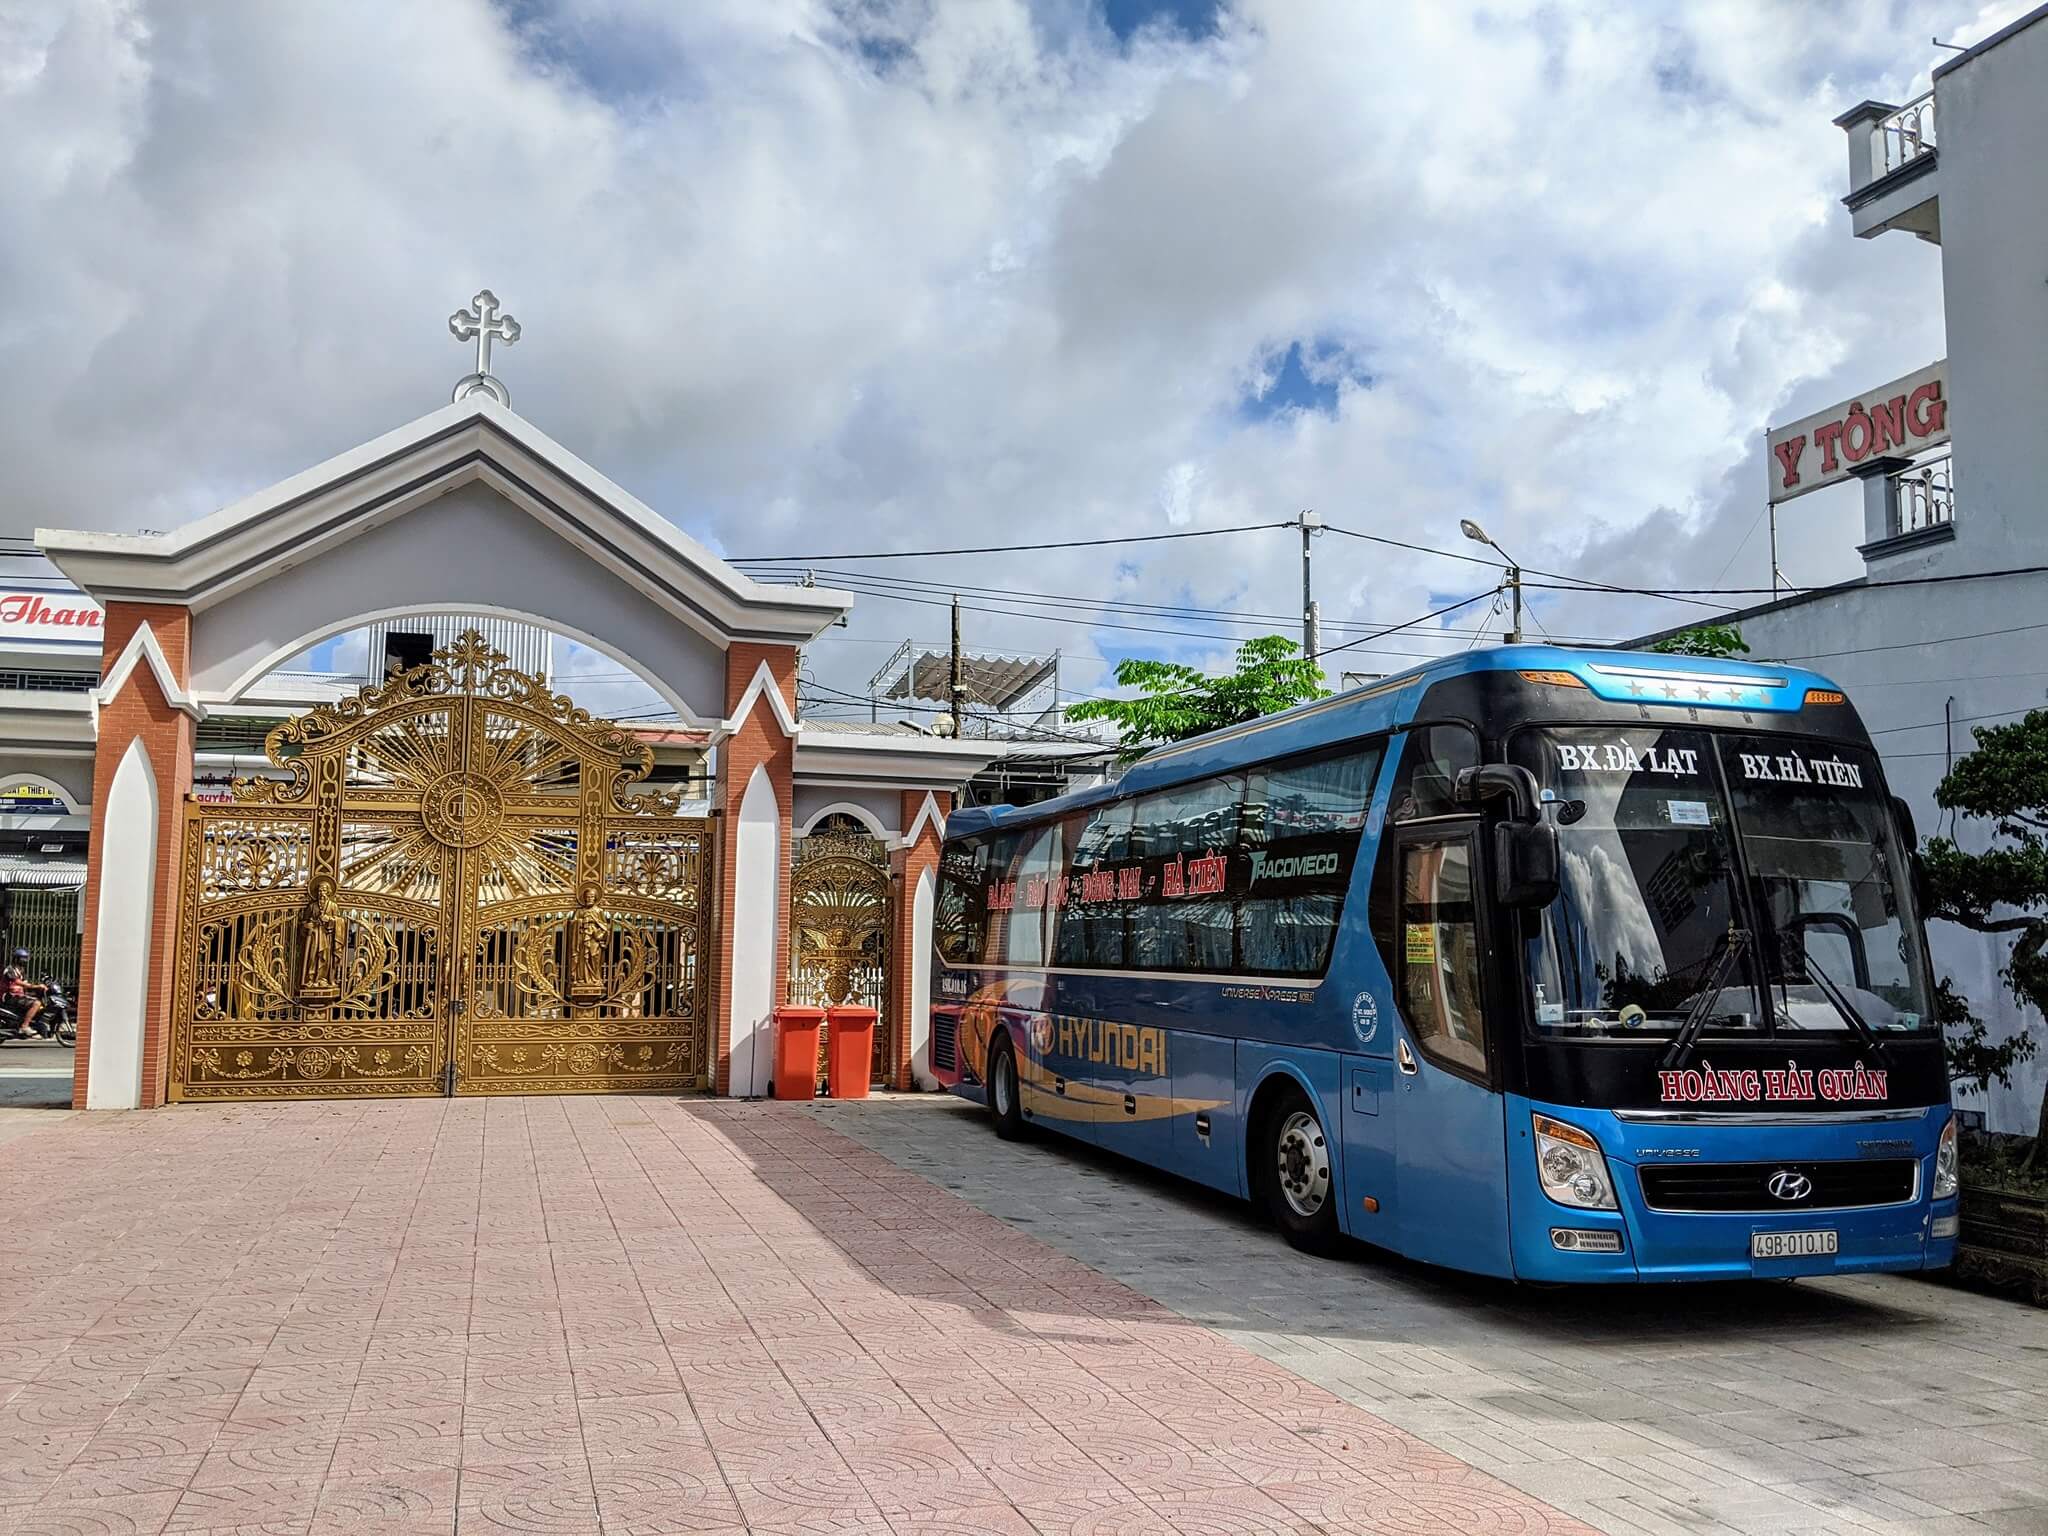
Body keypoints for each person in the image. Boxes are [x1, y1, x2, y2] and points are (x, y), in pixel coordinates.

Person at [2, 949, 45, 1039]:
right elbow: (18, 982)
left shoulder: (21, 970)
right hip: (10, 996)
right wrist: (35, 986)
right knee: (36, 1003)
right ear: (17, 959)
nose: (25, 961)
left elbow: (25, 984)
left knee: (37, 1000)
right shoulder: (10, 969)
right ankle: (25, 1026)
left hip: (19, 996)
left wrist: (35, 991)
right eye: (23, 959)